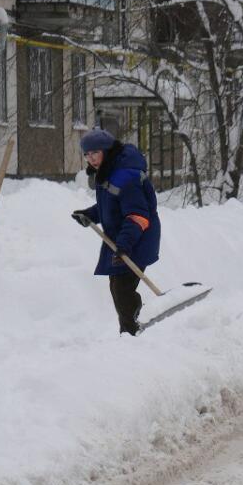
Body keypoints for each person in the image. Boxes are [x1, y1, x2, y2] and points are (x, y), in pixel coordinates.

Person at [70, 129, 161, 335]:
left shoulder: (124, 176)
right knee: (118, 288)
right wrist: (90, 215)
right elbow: (111, 208)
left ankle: (134, 330)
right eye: (87, 154)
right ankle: (133, 328)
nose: (91, 158)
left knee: (121, 289)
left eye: (95, 153)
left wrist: (125, 244)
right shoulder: (108, 172)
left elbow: (138, 215)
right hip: (124, 239)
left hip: (138, 238)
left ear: (107, 151)